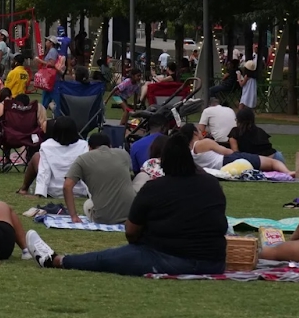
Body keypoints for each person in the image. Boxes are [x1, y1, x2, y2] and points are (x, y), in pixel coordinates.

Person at [26, 133, 228, 277]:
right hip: (214, 262)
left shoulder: (154, 188)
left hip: (168, 258)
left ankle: (56, 260)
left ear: (162, 161)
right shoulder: (212, 185)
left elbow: (131, 233)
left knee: (104, 258)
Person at [62, 132, 136, 224]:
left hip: (104, 218)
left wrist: (73, 216)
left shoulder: (83, 159)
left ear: (89, 147)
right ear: (110, 146)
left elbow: (67, 186)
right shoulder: (123, 154)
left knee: (88, 204)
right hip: (132, 215)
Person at [19, 117, 87, 198]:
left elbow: (44, 171)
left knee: (36, 157)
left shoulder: (47, 145)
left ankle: (23, 189)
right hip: (79, 190)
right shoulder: (84, 145)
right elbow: (87, 170)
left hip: (54, 192)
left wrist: (39, 193)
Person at [188, 122, 291, 173]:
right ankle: (288, 173)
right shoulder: (203, 143)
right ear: (195, 133)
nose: (202, 132)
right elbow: (228, 152)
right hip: (228, 160)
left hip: (224, 167)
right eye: (199, 130)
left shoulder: (189, 151)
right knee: (274, 162)